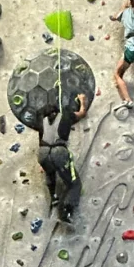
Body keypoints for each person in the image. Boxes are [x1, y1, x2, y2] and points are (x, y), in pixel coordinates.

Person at [38, 89, 88, 222]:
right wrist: (82, 101)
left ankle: (53, 196)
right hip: (58, 151)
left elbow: (41, 141)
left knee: (50, 173)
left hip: (42, 152)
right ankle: (66, 211)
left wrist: (42, 163)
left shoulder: (42, 122)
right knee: (74, 184)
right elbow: (82, 113)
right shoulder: (65, 115)